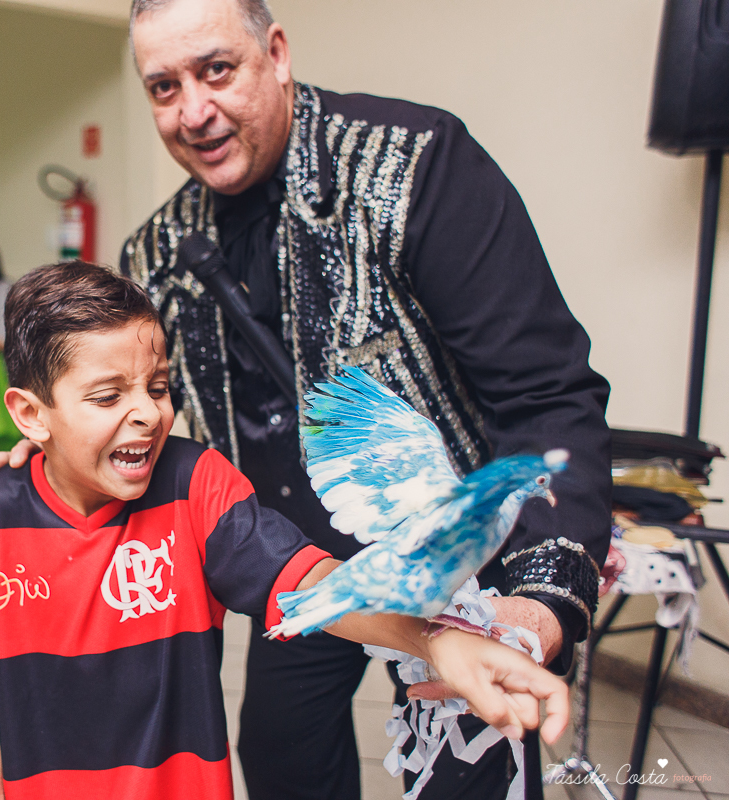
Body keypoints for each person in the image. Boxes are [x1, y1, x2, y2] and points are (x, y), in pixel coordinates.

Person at [118, 2, 617, 798]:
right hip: (306, 571)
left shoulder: (417, 165)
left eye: (217, 70)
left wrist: (539, 603)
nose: (194, 110)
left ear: (275, 53)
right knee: (281, 758)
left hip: (459, 561)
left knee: (468, 772)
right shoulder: (152, 251)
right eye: (163, 87)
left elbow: (546, 394)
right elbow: (138, 426)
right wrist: (49, 462)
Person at [0, 262, 569, 800]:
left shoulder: (195, 485)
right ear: (32, 414)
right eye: (108, 395)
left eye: (158, 386)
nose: (146, 411)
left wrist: (436, 641)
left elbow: (307, 581)